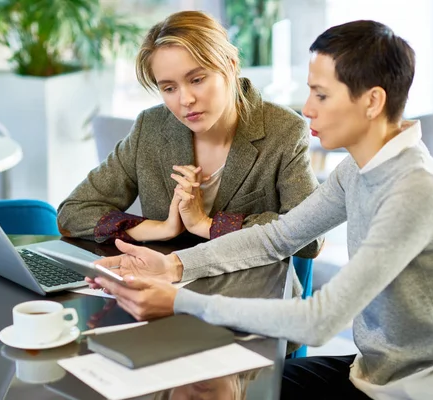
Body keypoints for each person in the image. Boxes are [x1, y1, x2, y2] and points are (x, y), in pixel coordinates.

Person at [88, 20, 433, 400]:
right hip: (375, 373)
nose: (307, 109)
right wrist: (174, 266)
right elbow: (280, 235)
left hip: (429, 391)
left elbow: (318, 322)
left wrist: (178, 302)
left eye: (321, 94)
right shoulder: (359, 170)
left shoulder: (416, 191)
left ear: (373, 101)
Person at [56, 10, 322, 260]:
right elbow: (73, 212)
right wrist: (160, 228)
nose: (185, 99)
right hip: (164, 288)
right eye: (169, 88)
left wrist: (206, 225)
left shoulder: (284, 130)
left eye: (197, 80)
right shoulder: (150, 128)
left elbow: (311, 236)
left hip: (247, 296)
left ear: (230, 66)